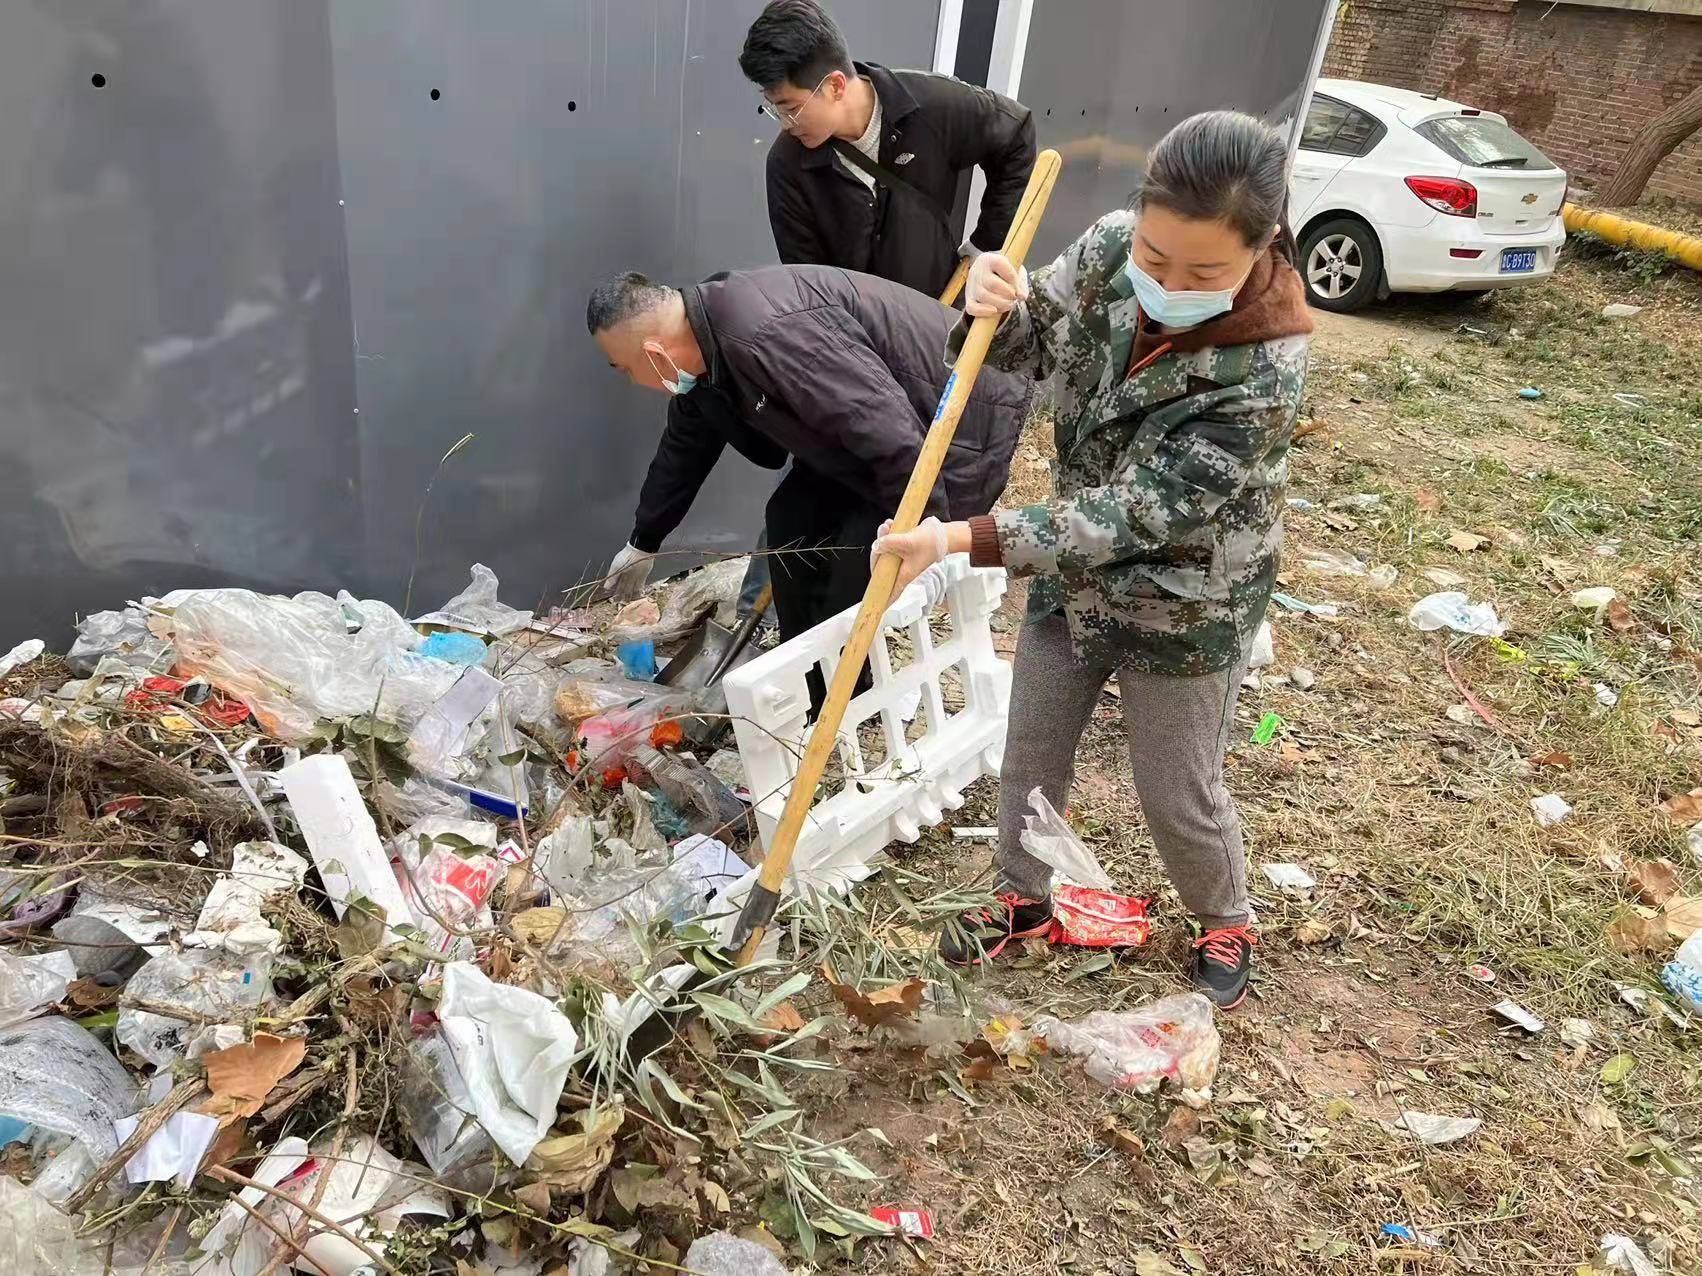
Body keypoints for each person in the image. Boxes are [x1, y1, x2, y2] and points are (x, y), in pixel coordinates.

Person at [871, 111, 1314, 1009]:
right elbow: (1032, 341)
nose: (1168, 284)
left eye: (1204, 274)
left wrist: (962, 538)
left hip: (1187, 597)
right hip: (1075, 582)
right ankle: (1021, 897)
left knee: (1175, 786)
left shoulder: (1265, 370)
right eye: (1156, 256)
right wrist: (991, 301)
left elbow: (1138, 513)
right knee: (1030, 750)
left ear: (1263, 244)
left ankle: (1223, 915)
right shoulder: (1111, 247)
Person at [705, 0, 1036, 622]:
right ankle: (782, 624)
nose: (784, 123)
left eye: (789, 107)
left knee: (904, 476)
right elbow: (806, 286)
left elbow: (1016, 135)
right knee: (811, 491)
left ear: (835, 85)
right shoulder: (790, 166)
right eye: (773, 108)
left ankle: (887, 598)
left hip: (932, 331)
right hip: (852, 349)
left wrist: (987, 249)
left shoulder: (929, 107)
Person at [589, 265, 1031, 707]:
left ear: (654, 352)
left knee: (855, 559)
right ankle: (810, 682)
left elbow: (887, 430)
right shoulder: (704, 350)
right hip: (872, 432)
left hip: (957, 413)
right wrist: (644, 541)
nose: (630, 379)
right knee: (789, 519)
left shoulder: (768, 334)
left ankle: (847, 699)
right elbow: (683, 451)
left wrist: (929, 530)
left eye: (625, 368)